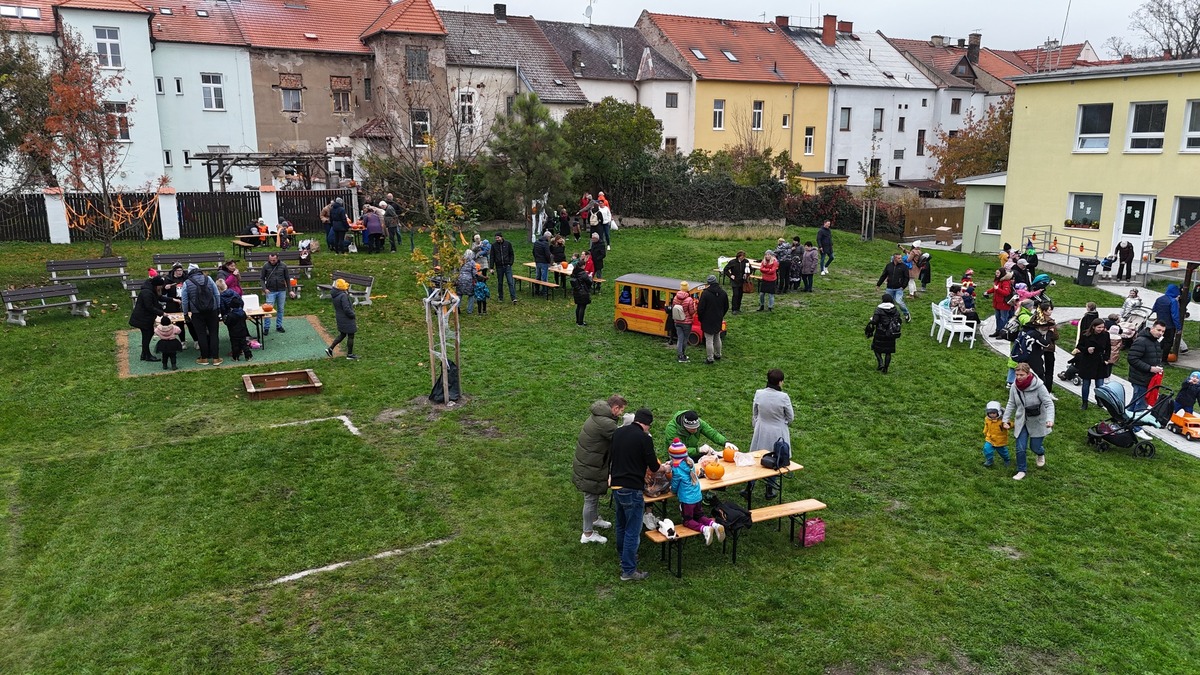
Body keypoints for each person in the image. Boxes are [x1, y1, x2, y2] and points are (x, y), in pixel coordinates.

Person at [609, 407, 658, 581]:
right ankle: (629, 570)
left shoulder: (618, 433)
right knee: (632, 530)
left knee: (621, 524)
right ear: (647, 424)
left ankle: (623, 557)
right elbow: (654, 466)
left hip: (616, 486)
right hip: (632, 489)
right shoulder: (644, 438)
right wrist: (664, 468)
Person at [572, 395, 627, 545]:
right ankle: (587, 533)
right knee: (590, 498)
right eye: (621, 410)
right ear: (615, 408)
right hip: (591, 466)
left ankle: (594, 518)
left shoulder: (600, 415)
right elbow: (621, 439)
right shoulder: (605, 423)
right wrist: (630, 426)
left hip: (589, 462)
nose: (621, 413)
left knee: (593, 494)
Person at [745, 368, 793, 501]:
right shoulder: (784, 397)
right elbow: (790, 417)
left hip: (761, 430)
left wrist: (757, 423)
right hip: (778, 431)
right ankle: (770, 489)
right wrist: (783, 423)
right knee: (776, 458)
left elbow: (755, 412)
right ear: (780, 382)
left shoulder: (759, 393)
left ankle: (749, 487)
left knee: (756, 457)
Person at [1002, 362, 1055, 481]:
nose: (1019, 377)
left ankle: (1040, 453)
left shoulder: (1039, 386)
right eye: (1017, 375)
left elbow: (1049, 403)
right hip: (1022, 420)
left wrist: (1050, 419)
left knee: (1035, 447)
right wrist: (1005, 420)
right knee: (1020, 448)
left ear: (1028, 373)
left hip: (1038, 421)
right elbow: (1011, 403)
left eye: (1022, 375)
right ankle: (1021, 470)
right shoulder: (1015, 386)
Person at [667, 439, 724, 545]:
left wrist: (672, 490)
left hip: (687, 500)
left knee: (687, 521)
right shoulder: (690, 462)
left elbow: (675, 483)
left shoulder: (676, 469)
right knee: (699, 516)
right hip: (697, 496)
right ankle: (715, 525)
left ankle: (704, 529)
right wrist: (671, 463)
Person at [1127, 320, 1167, 438]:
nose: (1160, 333)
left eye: (1163, 331)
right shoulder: (1142, 341)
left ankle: (1125, 421)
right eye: (1159, 330)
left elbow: (1153, 357)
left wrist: (1158, 367)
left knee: (1135, 402)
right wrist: (1150, 368)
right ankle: (1136, 427)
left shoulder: (1155, 342)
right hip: (1141, 378)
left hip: (1149, 379)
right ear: (1152, 328)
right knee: (1141, 404)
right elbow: (1132, 359)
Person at [180, 263, 222, 366]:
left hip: (197, 312)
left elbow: (184, 300)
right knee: (214, 334)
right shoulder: (209, 279)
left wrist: (185, 313)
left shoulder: (187, 283)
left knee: (201, 335)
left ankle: (204, 358)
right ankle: (216, 358)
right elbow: (217, 294)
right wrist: (218, 307)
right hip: (212, 310)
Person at [1073, 318, 1111, 410]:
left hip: (1100, 361)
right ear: (1093, 327)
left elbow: (1108, 347)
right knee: (1086, 383)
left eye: (1102, 327)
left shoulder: (1106, 335)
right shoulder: (1086, 334)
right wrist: (1087, 350)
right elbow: (1079, 346)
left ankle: (1099, 399)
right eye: (1099, 327)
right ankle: (1085, 402)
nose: (1101, 329)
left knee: (1100, 384)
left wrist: (1106, 359)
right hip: (1088, 361)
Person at [663, 409, 727, 460]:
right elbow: (678, 450)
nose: (696, 430)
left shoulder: (697, 421)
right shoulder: (672, 429)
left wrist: (725, 442)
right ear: (685, 427)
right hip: (676, 457)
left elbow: (712, 433)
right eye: (692, 429)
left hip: (693, 452)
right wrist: (698, 450)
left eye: (697, 428)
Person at [129, 276, 166, 362]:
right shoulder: (147, 293)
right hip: (142, 318)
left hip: (145, 318)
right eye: (160, 286)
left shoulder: (151, 290)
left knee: (149, 333)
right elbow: (149, 307)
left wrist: (173, 300)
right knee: (147, 335)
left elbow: (159, 298)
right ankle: (147, 355)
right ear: (157, 285)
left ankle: (144, 354)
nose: (161, 287)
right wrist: (162, 313)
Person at [697, 275, 728, 365]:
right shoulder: (723, 293)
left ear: (708, 283)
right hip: (718, 318)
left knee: (709, 340)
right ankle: (718, 354)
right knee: (717, 337)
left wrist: (701, 318)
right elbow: (726, 306)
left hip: (707, 319)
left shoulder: (705, 294)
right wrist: (721, 315)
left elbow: (700, 308)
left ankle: (710, 358)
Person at [867, 293, 902, 374]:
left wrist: (871, 320)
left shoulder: (879, 309)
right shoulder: (895, 309)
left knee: (876, 348)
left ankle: (880, 363)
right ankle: (885, 368)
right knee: (888, 352)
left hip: (880, 332)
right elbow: (898, 320)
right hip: (891, 333)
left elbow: (875, 321)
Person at [325, 278, 359, 360]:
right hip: (346, 318)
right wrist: (352, 315)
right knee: (351, 335)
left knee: (343, 334)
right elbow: (346, 309)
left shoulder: (335, 294)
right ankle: (349, 354)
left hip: (340, 317)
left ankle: (330, 349)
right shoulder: (343, 296)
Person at [876, 252, 912, 322]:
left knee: (899, 301)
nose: (900, 259)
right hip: (889, 288)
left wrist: (903, 286)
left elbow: (906, 277)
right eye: (899, 258)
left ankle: (906, 314)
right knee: (888, 303)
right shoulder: (889, 266)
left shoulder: (904, 267)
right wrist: (878, 284)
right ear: (894, 259)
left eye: (901, 258)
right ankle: (888, 316)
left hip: (899, 288)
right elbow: (884, 275)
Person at [260, 252, 289, 334]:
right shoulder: (266, 266)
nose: (272, 262)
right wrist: (265, 289)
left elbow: (287, 278)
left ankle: (279, 326)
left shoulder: (283, 266)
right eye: (270, 260)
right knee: (268, 309)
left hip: (281, 290)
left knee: (281, 309)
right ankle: (266, 327)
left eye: (274, 260)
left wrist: (290, 290)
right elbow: (262, 279)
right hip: (270, 290)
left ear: (277, 258)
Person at [1151, 284, 1182, 361]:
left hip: (1159, 324)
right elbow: (1175, 316)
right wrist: (1178, 327)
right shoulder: (1173, 301)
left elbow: (1154, 309)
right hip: (1169, 325)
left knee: (1160, 340)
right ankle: (1164, 359)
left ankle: (1154, 356)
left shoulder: (1159, 299)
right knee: (1168, 342)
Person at [223, 294, 253, 362]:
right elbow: (245, 318)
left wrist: (225, 319)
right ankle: (248, 356)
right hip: (242, 331)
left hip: (234, 333)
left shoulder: (230, 315)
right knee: (244, 345)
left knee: (235, 345)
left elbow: (227, 323)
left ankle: (235, 357)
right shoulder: (243, 313)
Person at [981, 401, 1011, 468]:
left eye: (994, 413)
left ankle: (1007, 459)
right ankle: (989, 460)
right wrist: (985, 432)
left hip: (1000, 440)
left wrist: (1008, 425)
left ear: (998, 412)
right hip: (990, 439)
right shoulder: (987, 419)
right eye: (990, 413)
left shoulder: (1003, 420)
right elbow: (986, 425)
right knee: (987, 449)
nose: (992, 415)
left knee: (1003, 452)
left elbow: (1011, 423)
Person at [986, 269, 1014, 337]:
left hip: (1003, 303)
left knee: (1003, 318)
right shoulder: (998, 280)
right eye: (996, 273)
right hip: (997, 303)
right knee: (997, 317)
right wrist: (987, 292)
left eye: (998, 273)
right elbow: (994, 288)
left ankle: (1003, 333)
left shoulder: (1005, 282)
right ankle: (998, 331)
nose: (996, 274)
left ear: (1002, 273)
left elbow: (1006, 293)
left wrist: (997, 289)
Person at [672, 283, 696, 362]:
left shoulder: (675, 298)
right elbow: (691, 312)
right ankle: (682, 355)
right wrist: (695, 307)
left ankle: (680, 355)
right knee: (685, 339)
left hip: (677, 321)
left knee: (680, 338)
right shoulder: (689, 299)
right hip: (686, 322)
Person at [490, 232, 516, 303]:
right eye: (496, 238)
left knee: (510, 282)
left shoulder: (508, 244)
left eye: (498, 238)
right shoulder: (494, 246)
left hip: (507, 266)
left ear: (501, 237)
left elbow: (511, 254)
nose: (497, 239)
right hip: (499, 266)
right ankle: (500, 297)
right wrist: (491, 267)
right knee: (500, 282)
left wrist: (510, 263)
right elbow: (492, 256)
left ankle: (513, 298)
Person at [457, 250, 478, 314]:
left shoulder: (461, 261)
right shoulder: (472, 262)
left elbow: (456, 270)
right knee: (471, 295)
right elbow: (474, 273)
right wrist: (475, 280)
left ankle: (457, 307)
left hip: (460, 279)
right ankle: (469, 310)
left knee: (459, 294)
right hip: (469, 280)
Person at [532, 230, 553, 295]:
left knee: (538, 276)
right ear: (548, 237)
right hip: (544, 262)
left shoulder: (536, 242)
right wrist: (549, 262)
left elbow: (533, 251)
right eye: (550, 237)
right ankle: (544, 291)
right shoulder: (545, 243)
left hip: (537, 261)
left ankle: (537, 290)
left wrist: (536, 258)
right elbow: (547, 254)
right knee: (544, 277)